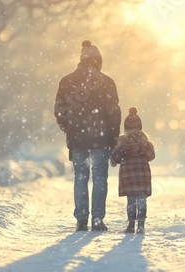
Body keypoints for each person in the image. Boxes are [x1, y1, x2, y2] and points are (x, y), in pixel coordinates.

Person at [54, 40, 121, 231]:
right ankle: (98, 219)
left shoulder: (67, 81)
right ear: (97, 60)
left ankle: (82, 219)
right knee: (100, 178)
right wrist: (113, 137)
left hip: (77, 139)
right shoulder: (107, 83)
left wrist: (69, 127)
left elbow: (60, 110)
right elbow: (114, 112)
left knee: (80, 178)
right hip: (101, 139)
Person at [110, 107, 155, 234]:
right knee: (142, 200)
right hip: (142, 175)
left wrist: (113, 158)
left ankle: (130, 224)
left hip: (128, 175)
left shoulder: (122, 141)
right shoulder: (145, 141)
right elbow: (151, 156)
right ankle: (141, 225)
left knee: (131, 200)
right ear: (140, 127)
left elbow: (116, 158)